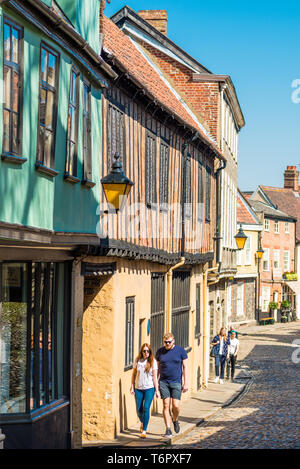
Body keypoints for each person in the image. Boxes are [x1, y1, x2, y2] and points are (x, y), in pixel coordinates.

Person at [155, 332, 188, 439]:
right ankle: (168, 428)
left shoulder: (181, 351)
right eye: (165, 342)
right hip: (164, 382)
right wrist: (156, 385)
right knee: (165, 405)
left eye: (169, 342)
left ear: (173, 341)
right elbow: (156, 369)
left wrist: (185, 382)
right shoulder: (160, 352)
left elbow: (185, 367)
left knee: (176, 406)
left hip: (176, 382)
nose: (167, 344)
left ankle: (175, 419)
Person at [130, 343, 160, 438]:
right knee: (139, 410)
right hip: (138, 388)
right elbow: (134, 374)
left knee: (146, 407)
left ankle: (144, 430)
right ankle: (142, 422)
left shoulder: (153, 362)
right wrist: (132, 386)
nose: (146, 353)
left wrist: (157, 390)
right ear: (141, 352)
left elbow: (155, 377)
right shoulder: (137, 360)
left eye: (148, 351)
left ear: (150, 352)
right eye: (144, 351)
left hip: (149, 388)